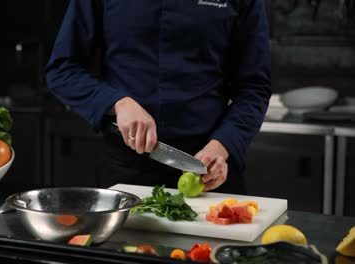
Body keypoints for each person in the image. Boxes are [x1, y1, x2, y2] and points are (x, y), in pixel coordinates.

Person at [45, 0, 271, 194]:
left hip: (212, 171)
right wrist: (118, 103)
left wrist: (221, 146)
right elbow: (63, 70)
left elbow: (254, 87)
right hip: (128, 171)